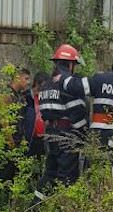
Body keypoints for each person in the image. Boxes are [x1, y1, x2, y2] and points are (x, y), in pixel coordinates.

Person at [33, 44, 90, 203]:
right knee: (68, 176)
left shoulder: (45, 86)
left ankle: (34, 209)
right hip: (68, 137)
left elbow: (43, 114)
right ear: (70, 64)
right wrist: (84, 136)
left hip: (50, 135)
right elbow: (77, 114)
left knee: (50, 174)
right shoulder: (69, 84)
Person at [0, 67, 31, 205]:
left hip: (18, 142)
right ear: (17, 78)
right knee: (1, 176)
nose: (28, 82)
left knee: (14, 176)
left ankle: (9, 205)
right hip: (9, 144)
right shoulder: (6, 95)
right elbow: (3, 120)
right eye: (26, 78)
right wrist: (10, 142)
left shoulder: (19, 96)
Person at [24, 72, 49, 158]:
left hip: (43, 139)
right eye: (41, 86)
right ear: (36, 83)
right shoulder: (26, 97)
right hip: (29, 138)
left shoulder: (46, 98)